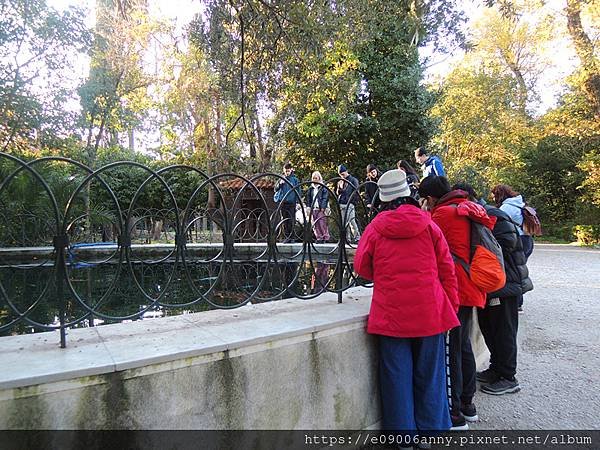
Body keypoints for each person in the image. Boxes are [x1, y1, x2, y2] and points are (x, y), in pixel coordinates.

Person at [354, 169, 459, 438]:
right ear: (408, 194)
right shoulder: (429, 224)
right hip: (429, 311)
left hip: (391, 314)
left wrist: (385, 274)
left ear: (384, 199)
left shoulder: (376, 227)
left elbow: (362, 266)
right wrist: (452, 307)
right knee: (430, 375)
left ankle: (404, 438)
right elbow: (447, 269)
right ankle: (430, 433)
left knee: (396, 377)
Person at [418, 176, 496, 431]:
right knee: (462, 346)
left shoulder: (442, 216)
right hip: (471, 285)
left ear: (430, 198)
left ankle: (455, 413)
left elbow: (424, 244)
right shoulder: (464, 207)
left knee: (453, 348)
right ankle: (468, 403)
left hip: (456, 289)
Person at [453, 182, 533, 396]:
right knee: (489, 327)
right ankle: (496, 368)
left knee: (503, 330)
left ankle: (508, 377)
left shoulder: (491, 214)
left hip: (505, 283)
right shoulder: (477, 215)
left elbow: (508, 242)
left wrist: (482, 250)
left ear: (467, 196)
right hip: (491, 284)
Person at [491, 184, 533, 311]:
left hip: (516, 239)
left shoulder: (506, 207)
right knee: (519, 269)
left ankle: (516, 301)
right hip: (527, 239)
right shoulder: (520, 203)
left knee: (513, 270)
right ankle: (519, 301)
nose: (493, 199)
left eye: (494, 196)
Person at [274, 162, 300, 243]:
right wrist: (280, 184)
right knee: (284, 220)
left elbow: (298, 191)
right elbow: (275, 189)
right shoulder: (281, 179)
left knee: (291, 220)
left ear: (291, 170)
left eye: (288, 171)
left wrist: (298, 202)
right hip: (283, 202)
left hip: (291, 202)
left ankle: (292, 237)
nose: (287, 173)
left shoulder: (295, 180)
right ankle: (287, 237)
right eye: (285, 171)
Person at [336, 164, 361, 243]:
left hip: (349, 203)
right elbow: (337, 192)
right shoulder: (340, 181)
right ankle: (347, 239)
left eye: (343, 174)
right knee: (344, 222)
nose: (342, 176)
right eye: (340, 175)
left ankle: (357, 238)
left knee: (351, 221)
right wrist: (339, 190)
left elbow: (356, 192)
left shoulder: (353, 180)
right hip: (342, 203)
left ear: (346, 172)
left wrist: (353, 202)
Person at [306, 171, 330, 244]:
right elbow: (308, 198)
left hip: (320, 207)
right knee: (315, 223)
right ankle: (319, 237)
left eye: (316, 178)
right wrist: (308, 207)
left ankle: (325, 237)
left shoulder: (323, 188)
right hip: (314, 208)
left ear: (319, 178)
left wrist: (323, 207)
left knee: (321, 222)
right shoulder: (311, 188)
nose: (314, 179)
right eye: (313, 178)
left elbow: (325, 198)